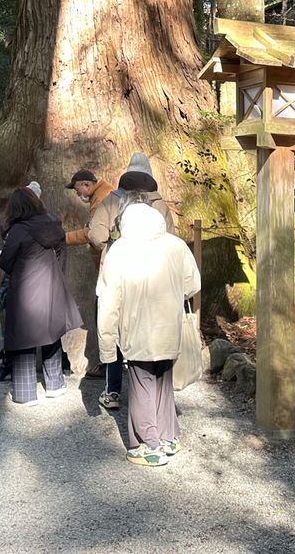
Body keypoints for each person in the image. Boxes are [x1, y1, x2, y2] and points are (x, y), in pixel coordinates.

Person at [97, 202, 200, 467]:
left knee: (142, 384)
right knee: (163, 381)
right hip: (169, 328)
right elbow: (193, 284)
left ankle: (146, 444)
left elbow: (108, 301)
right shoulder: (176, 246)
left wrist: (107, 346)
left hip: (137, 330)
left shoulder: (119, 250)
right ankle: (168, 436)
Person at [88, 152, 176, 409]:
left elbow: (95, 235)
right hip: (153, 276)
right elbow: (172, 238)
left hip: (116, 273)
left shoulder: (111, 201)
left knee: (111, 326)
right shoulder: (160, 205)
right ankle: (148, 395)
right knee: (147, 329)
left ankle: (113, 391)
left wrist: (109, 245)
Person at [0, 188, 81, 405]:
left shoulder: (18, 230)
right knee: (51, 334)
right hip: (52, 286)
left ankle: (26, 393)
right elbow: (62, 252)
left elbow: (6, 262)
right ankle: (55, 385)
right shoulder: (52, 224)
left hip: (25, 289)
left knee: (23, 339)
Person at [65, 168, 115, 380]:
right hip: (109, 264)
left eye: (78, 191)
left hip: (110, 266)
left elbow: (93, 233)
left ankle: (109, 366)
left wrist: (65, 238)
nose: (79, 195)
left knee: (105, 316)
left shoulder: (101, 199)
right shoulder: (106, 194)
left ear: (87, 185)